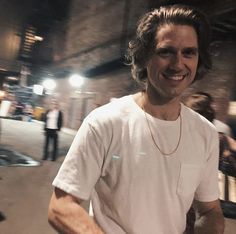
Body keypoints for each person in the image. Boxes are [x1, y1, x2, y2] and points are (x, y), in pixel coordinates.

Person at [48, 4, 224, 233]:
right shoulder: (104, 122)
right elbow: (61, 206)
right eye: (166, 51)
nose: (178, 63)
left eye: (188, 52)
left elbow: (210, 211)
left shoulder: (205, 134)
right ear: (145, 57)